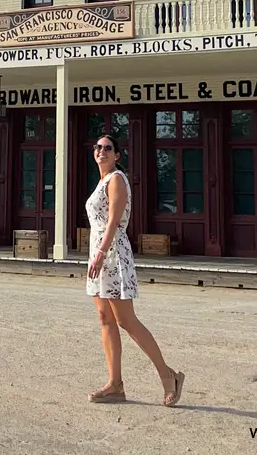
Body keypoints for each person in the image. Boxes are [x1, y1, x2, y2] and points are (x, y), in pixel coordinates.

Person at [85, 134, 185, 406]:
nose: (101, 151)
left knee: (126, 320)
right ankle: (115, 384)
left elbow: (114, 223)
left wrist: (101, 254)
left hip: (113, 255)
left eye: (108, 148)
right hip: (99, 255)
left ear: (117, 155)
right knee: (104, 318)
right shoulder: (102, 181)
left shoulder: (117, 179)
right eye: (98, 147)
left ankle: (168, 376)